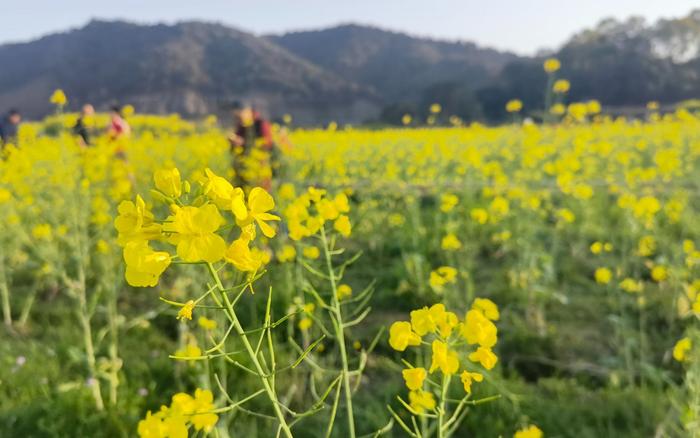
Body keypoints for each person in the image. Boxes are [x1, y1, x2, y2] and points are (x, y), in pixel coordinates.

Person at [228, 103, 275, 189]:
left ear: (249, 112)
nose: (240, 119)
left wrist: (244, 143)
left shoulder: (261, 124)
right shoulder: (242, 126)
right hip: (243, 168)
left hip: (260, 167)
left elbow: (268, 143)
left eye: (242, 114)